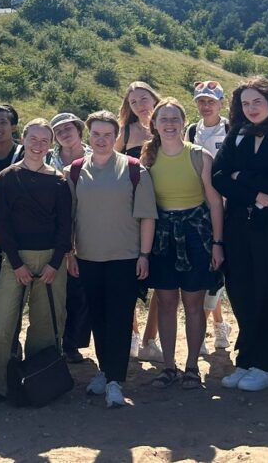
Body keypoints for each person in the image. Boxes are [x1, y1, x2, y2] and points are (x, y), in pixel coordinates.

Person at [211, 77, 268, 392]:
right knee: (241, 292)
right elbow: (218, 177)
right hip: (238, 227)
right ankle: (247, 359)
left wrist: (240, 176)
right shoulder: (237, 134)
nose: (251, 108)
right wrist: (254, 193)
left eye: (257, 102)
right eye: (245, 103)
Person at [67, 111, 157, 408]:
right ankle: (105, 371)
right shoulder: (75, 171)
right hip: (88, 257)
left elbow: (147, 217)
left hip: (125, 257)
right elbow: (69, 217)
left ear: (116, 136)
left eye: (108, 135)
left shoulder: (134, 169)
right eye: (96, 134)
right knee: (97, 317)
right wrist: (71, 253)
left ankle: (116, 380)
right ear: (88, 136)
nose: (101, 140)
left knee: (119, 319)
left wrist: (144, 255)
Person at [0, 119, 71, 403]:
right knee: (2, 324)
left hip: (51, 261)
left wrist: (54, 264)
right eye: (33, 139)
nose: (38, 145)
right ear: (23, 139)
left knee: (46, 326)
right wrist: (16, 263)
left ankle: (41, 381)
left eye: (45, 141)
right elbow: (3, 224)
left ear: (51, 145)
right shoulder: (8, 177)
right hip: (14, 259)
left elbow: (65, 227)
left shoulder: (59, 181)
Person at [140, 99, 225, 390]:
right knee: (165, 303)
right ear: (154, 123)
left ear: (183, 121)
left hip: (196, 235)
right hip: (161, 236)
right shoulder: (147, 158)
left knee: (193, 304)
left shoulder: (200, 156)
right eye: (163, 119)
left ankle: (191, 367)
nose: (169, 124)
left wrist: (218, 243)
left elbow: (215, 203)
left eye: (175, 118)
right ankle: (168, 367)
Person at [114, 81, 163, 362]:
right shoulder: (124, 131)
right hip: (131, 211)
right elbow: (112, 164)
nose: (140, 105)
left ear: (154, 98)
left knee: (163, 279)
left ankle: (150, 339)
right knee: (130, 272)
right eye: (133, 102)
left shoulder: (169, 125)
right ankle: (132, 335)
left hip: (165, 206)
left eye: (144, 99)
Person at [187, 81, 233, 355]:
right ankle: (217, 325)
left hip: (226, 207)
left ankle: (212, 325)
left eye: (211, 101)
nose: (206, 106)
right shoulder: (192, 130)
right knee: (207, 267)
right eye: (201, 101)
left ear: (221, 103)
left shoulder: (230, 128)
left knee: (219, 265)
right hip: (198, 208)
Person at [47, 112, 93, 364]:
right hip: (54, 229)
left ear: (78, 129)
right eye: (59, 130)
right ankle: (54, 341)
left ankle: (73, 343)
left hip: (87, 227)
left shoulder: (95, 155)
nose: (64, 133)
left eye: (68, 128)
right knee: (57, 290)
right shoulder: (46, 158)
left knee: (80, 290)